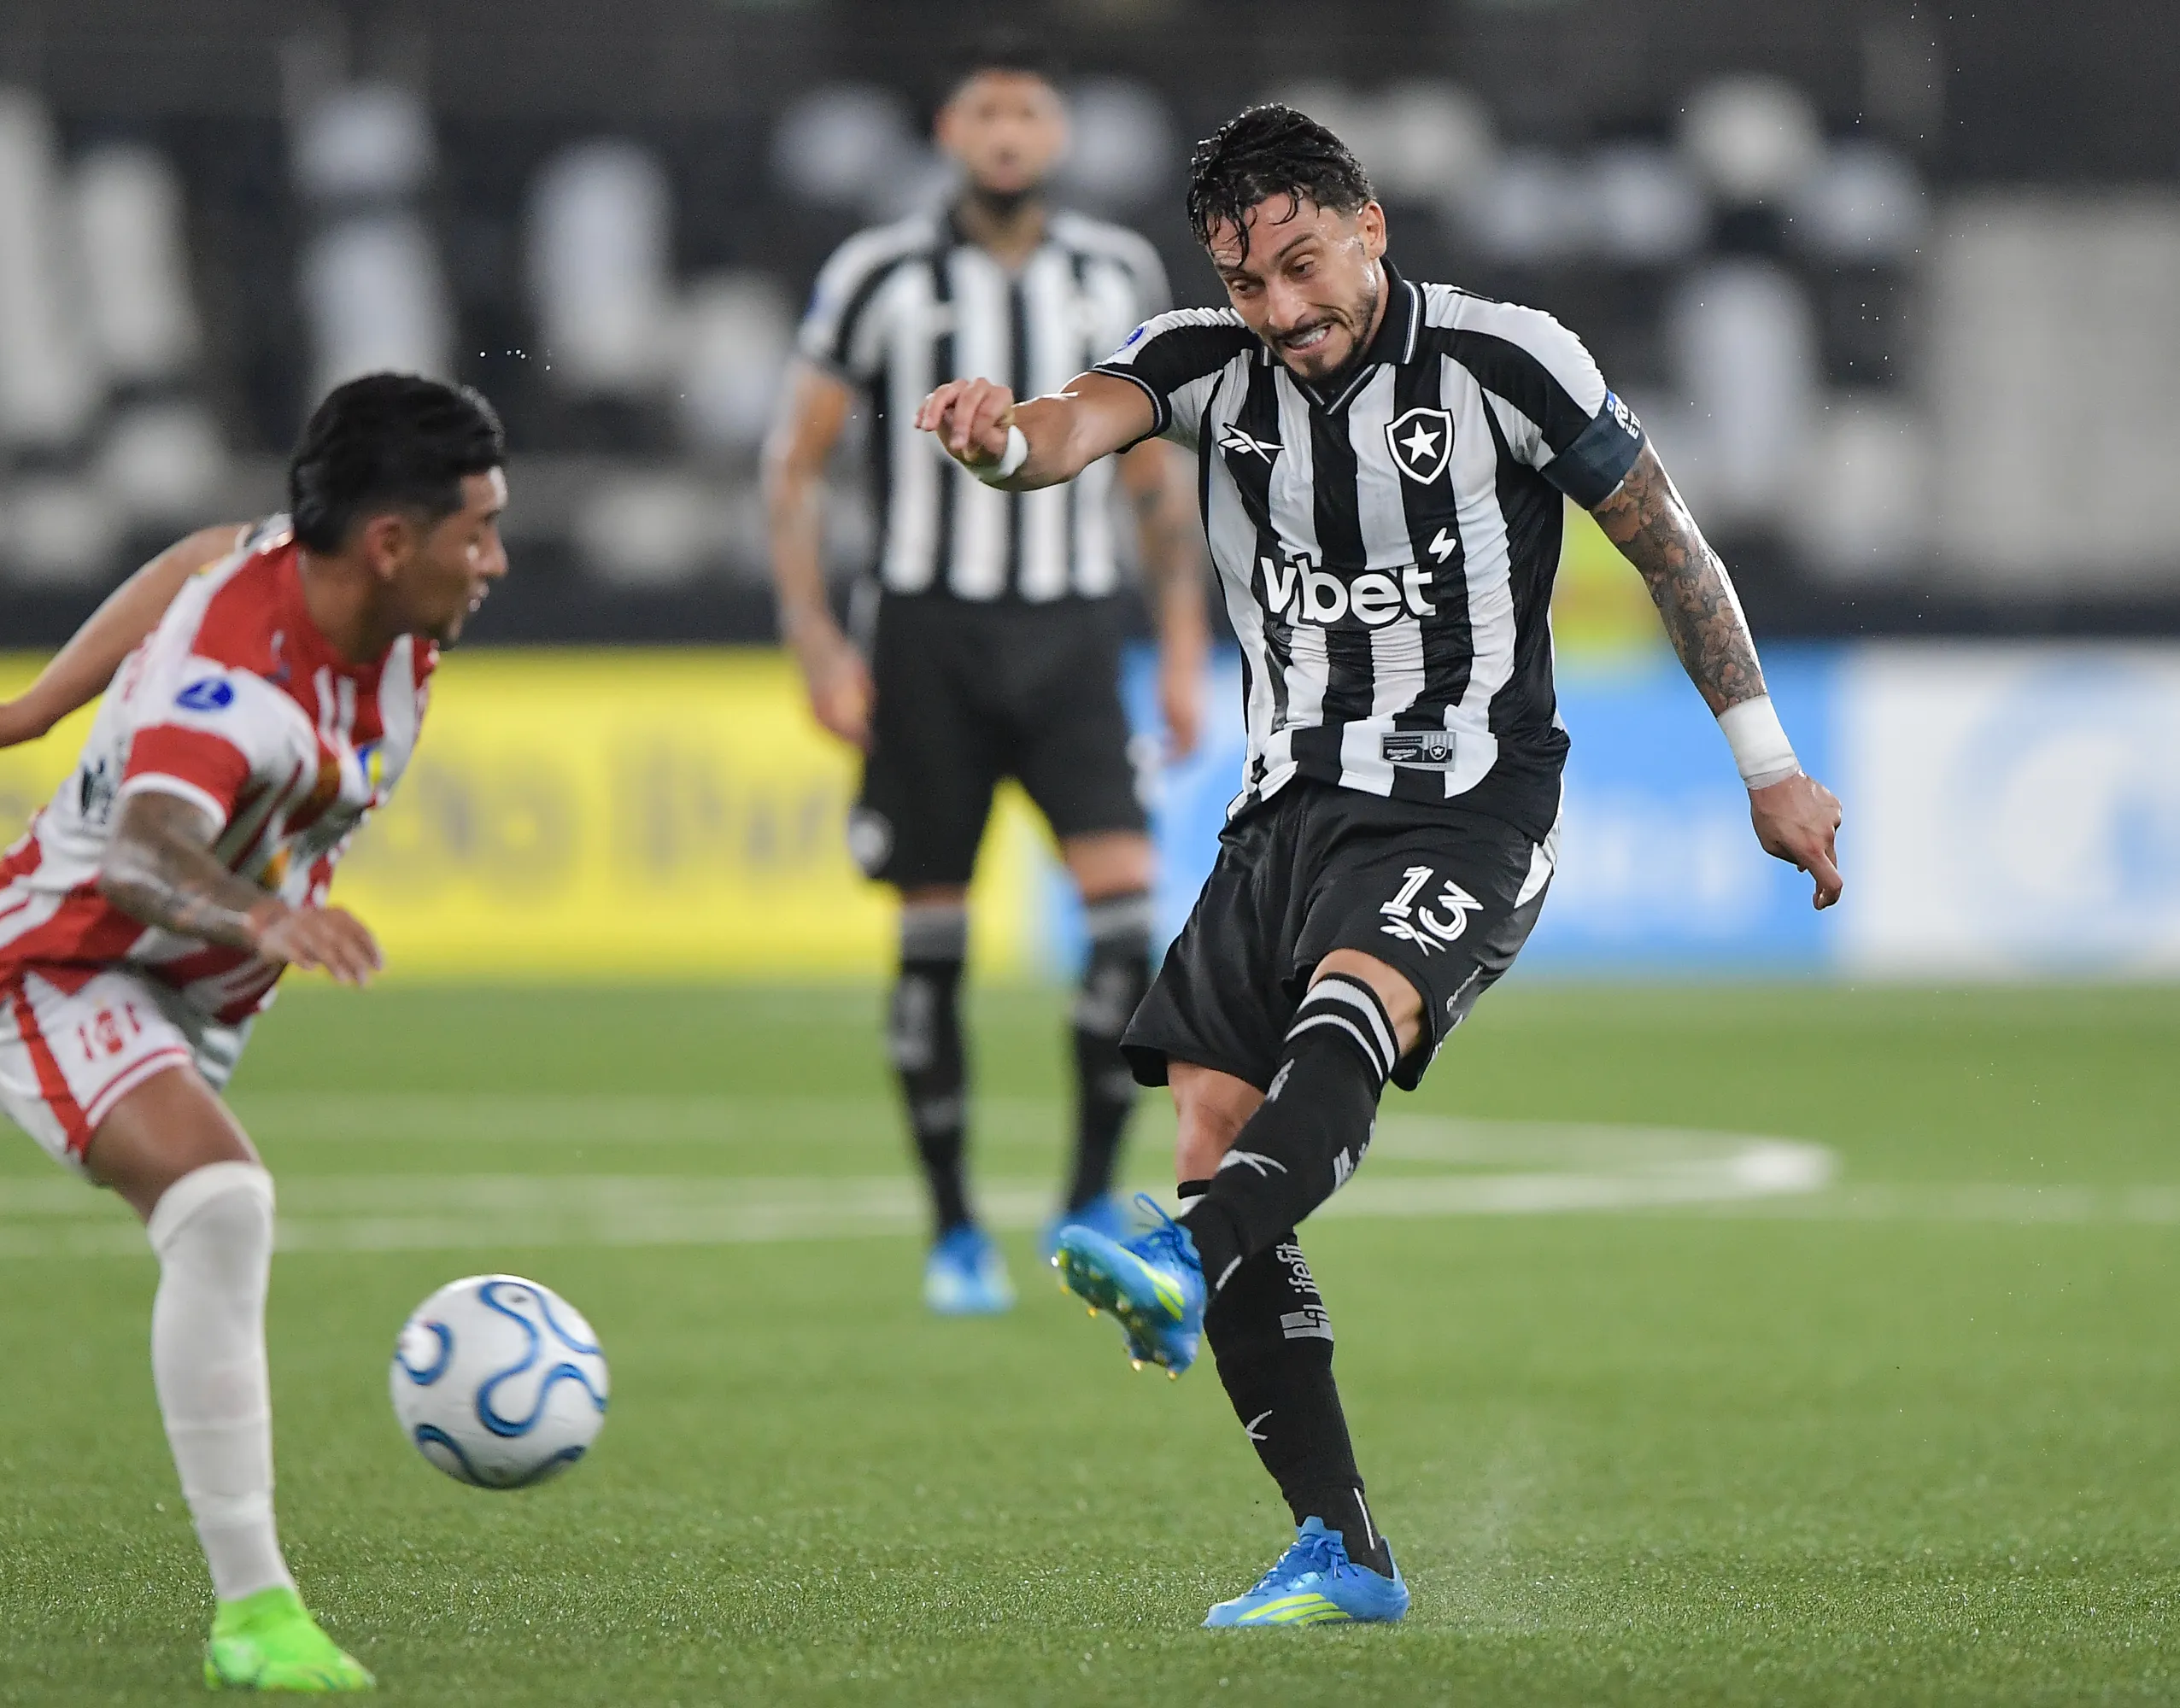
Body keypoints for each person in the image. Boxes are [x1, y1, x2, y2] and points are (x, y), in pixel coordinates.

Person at [916, 105, 1845, 1626]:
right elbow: (1067, 430)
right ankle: (1342, 1550)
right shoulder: (1206, 366)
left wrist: (1767, 766)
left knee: (1348, 1017)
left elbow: (1666, 544)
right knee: (1211, 1123)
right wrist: (995, 437)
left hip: (1468, 805)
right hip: (1282, 810)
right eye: (1247, 284)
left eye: (1301, 268)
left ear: (1371, 229)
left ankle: (1182, 1258)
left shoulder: (1505, 361)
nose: (1281, 313)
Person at [0, 372, 512, 1690]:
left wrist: (30, 707)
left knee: (88, 1122)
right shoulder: (233, 690)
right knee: (220, 1204)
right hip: (75, 952)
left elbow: (197, 555)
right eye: (479, 532)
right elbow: (140, 856)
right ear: (395, 544)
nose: (497, 561)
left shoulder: (360, 596)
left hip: (206, 970)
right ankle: (255, 1613)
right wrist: (258, 916)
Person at [765, 32, 1212, 1315]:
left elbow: (1150, 484)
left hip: (1074, 637)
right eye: (984, 112)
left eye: (1028, 112)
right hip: (926, 636)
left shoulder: (1113, 271)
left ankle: (1080, 1197)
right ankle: (955, 1229)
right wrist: (816, 638)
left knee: (1127, 924)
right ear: (951, 135)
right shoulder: (877, 276)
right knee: (932, 945)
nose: (1008, 134)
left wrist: (1183, 654)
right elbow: (792, 467)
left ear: (1057, 135)